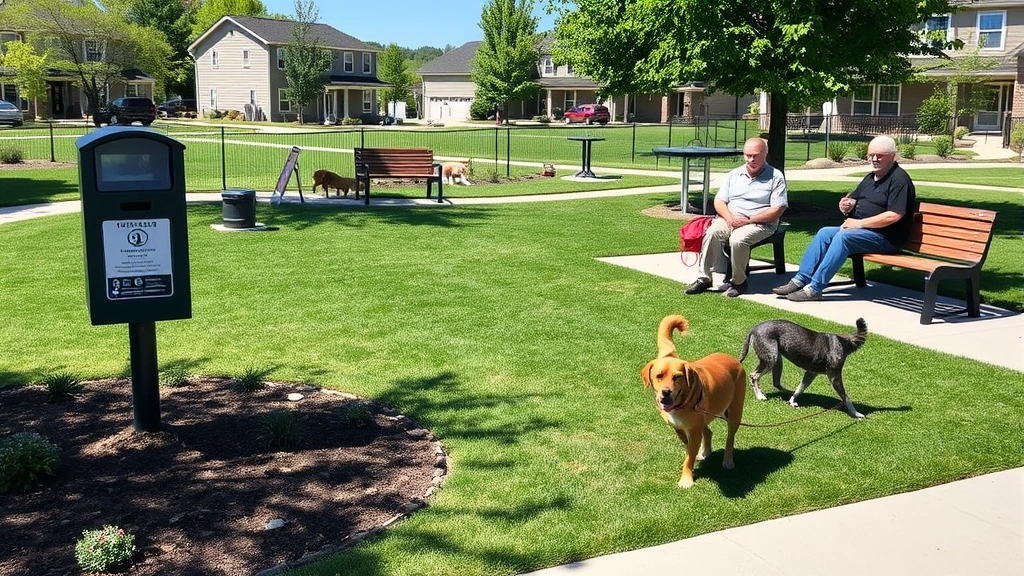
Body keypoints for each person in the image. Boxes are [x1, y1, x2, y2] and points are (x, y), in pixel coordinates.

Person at [773, 134, 916, 302]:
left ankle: (814, 289)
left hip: (887, 237)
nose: (874, 159)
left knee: (844, 237)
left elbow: (894, 215)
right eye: (871, 155)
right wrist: (847, 205)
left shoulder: (899, 180)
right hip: (865, 233)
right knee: (825, 233)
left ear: (892, 156)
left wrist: (859, 223)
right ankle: (800, 279)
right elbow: (854, 199)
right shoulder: (871, 178)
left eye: (880, 156)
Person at [685, 137, 788, 297]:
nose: (751, 159)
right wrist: (729, 218)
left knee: (737, 240)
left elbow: (777, 210)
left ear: (765, 154)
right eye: (747, 155)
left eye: (755, 155)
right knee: (712, 231)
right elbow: (719, 201)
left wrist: (748, 220)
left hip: (760, 223)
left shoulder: (776, 177)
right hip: (730, 219)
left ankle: (739, 281)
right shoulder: (734, 174)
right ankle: (704, 277)